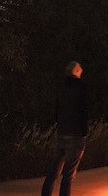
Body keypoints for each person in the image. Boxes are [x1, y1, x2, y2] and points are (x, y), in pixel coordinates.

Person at [42, 60, 88, 196]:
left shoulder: (61, 88)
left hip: (62, 132)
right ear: (77, 72)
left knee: (53, 171)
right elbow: (83, 111)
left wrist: (59, 124)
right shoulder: (81, 88)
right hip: (76, 135)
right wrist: (84, 131)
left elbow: (57, 108)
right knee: (68, 175)